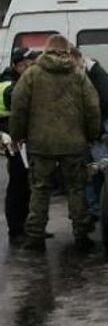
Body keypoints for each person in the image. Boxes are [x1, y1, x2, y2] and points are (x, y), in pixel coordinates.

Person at [10, 35, 101, 252]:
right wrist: (90, 136)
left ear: (46, 50)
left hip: (41, 144)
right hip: (73, 143)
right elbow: (93, 108)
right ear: (67, 51)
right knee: (76, 189)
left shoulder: (32, 74)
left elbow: (19, 106)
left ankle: (34, 236)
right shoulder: (78, 76)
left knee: (40, 189)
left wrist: (18, 135)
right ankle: (81, 235)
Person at [70, 47, 108, 221]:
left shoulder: (97, 73)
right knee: (90, 172)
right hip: (90, 131)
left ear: (79, 58)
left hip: (99, 131)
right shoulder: (86, 73)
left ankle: (100, 208)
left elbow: (100, 102)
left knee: (101, 170)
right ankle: (94, 208)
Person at [0, 48, 40, 245]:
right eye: (26, 64)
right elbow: (19, 112)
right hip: (13, 142)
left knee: (26, 184)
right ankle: (16, 229)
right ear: (17, 66)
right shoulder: (11, 86)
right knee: (18, 185)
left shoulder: (18, 82)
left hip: (19, 140)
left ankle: (25, 225)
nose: (30, 67)